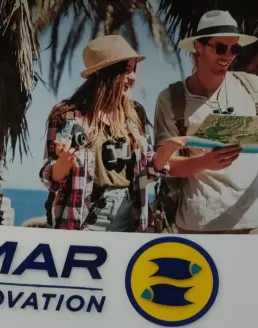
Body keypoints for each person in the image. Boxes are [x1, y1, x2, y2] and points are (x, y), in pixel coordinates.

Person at [153, 9, 258, 234]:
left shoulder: (252, 86)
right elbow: (163, 165)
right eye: (220, 47)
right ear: (198, 46)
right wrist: (205, 162)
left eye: (235, 48)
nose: (228, 55)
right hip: (201, 225)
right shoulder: (171, 98)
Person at [41, 35, 189, 231]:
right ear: (106, 74)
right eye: (126, 70)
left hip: (132, 218)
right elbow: (51, 179)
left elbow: (147, 174)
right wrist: (63, 163)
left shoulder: (136, 114)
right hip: (82, 220)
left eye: (133, 69)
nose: (133, 77)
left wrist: (167, 151)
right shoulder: (67, 114)